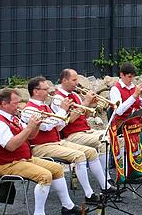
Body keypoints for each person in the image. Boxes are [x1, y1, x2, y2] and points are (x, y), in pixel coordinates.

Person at [0, 88, 80, 215]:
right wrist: (29, 128)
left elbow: (30, 136)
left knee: (57, 168)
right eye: (15, 103)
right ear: (4, 104)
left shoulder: (13, 117)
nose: (18, 106)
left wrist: (36, 125)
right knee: (45, 175)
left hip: (25, 158)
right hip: (9, 164)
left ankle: (68, 206)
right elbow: (11, 146)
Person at [22, 76, 106, 204]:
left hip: (56, 142)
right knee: (79, 156)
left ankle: (106, 186)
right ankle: (89, 194)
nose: (48, 92)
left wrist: (64, 113)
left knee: (91, 152)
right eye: (45, 89)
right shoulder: (29, 109)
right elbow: (46, 126)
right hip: (41, 146)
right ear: (35, 91)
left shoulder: (45, 106)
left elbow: (60, 125)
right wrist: (62, 110)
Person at [52, 69, 112, 190]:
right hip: (71, 135)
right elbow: (69, 120)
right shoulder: (58, 99)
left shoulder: (75, 95)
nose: (77, 83)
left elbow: (85, 116)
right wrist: (86, 102)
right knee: (104, 140)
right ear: (64, 80)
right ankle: (106, 178)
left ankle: (106, 177)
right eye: (74, 80)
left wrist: (89, 104)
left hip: (86, 131)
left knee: (112, 135)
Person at [108, 62, 142, 179]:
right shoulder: (115, 89)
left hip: (133, 123)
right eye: (129, 77)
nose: (131, 80)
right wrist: (135, 96)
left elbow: (141, 107)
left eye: (133, 77)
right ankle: (127, 173)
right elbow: (119, 111)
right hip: (120, 125)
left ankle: (138, 170)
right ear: (122, 75)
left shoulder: (133, 88)